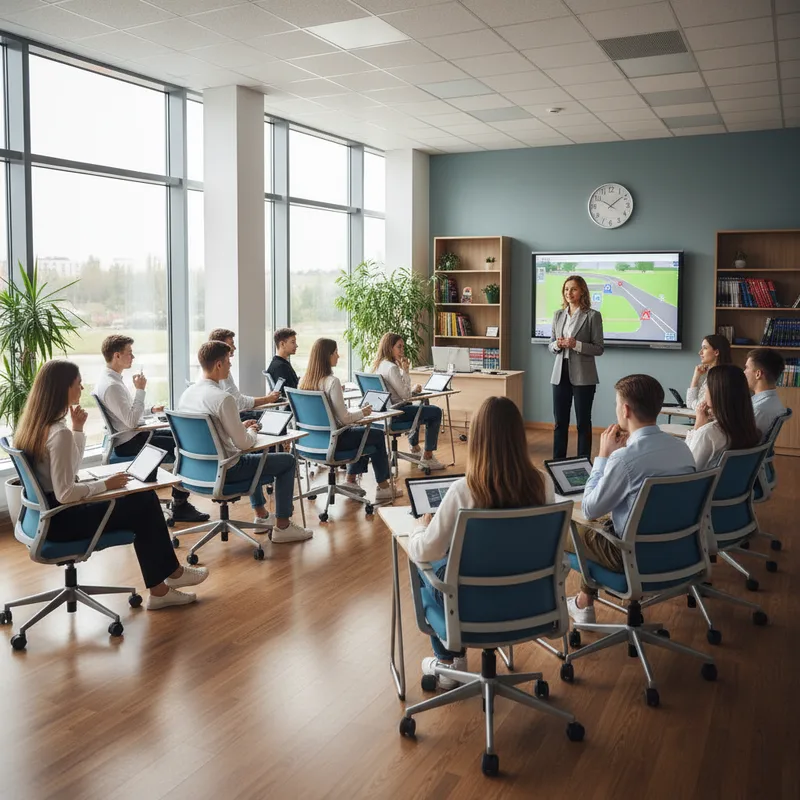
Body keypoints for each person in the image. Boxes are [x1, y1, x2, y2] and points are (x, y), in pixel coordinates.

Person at [14, 361, 209, 610]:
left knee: (140, 500)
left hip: (46, 518)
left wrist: (78, 430)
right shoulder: (57, 434)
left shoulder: (34, 426)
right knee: (144, 502)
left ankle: (168, 580)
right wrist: (104, 485)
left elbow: (67, 474)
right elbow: (66, 493)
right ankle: (167, 582)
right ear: (62, 389)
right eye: (77, 383)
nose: (82, 387)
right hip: (63, 520)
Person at [408, 396, 555, 689]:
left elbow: (428, 551)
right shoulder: (543, 483)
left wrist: (417, 530)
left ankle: (450, 661)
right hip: (530, 599)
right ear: (518, 436)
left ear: (477, 438)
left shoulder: (463, 490)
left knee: (422, 557)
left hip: (468, 606)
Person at [564, 374, 696, 624]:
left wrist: (603, 456)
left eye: (616, 404)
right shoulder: (683, 449)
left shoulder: (623, 459)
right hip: (681, 550)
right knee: (604, 524)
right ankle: (584, 601)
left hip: (631, 556)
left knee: (565, 527)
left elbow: (590, 508)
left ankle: (574, 606)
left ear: (625, 409)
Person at [179, 341, 312, 543]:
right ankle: (283, 527)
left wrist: (238, 425)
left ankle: (261, 515)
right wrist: (249, 429)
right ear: (218, 365)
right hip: (227, 471)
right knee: (287, 461)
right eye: (228, 361)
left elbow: (209, 431)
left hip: (196, 472)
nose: (230, 365)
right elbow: (244, 444)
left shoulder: (187, 395)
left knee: (253, 459)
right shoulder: (223, 398)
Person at [94, 335, 209, 523]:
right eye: (129, 353)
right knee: (185, 445)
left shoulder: (111, 380)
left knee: (178, 435)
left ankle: (181, 500)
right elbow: (131, 421)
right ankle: (180, 505)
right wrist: (140, 390)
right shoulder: (111, 386)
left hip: (136, 436)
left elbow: (127, 413)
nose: (133, 357)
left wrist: (151, 410)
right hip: (132, 442)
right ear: (116, 355)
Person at [299, 338, 399, 504]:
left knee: (366, 439)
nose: (338, 356)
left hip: (309, 444)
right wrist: (363, 412)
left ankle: (351, 480)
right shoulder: (332, 382)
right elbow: (345, 419)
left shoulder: (303, 381)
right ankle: (383, 487)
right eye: (336, 352)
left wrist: (355, 414)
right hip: (335, 441)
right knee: (375, 434)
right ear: (327, 356)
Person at [549, 275, 604, 459]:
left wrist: (576, 345)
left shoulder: (592, 316)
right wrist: (557, 344)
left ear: (582, 292)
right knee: (559, 423)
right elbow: (550, 345)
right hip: (560, 373)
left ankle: (583, 462)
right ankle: (557, 461)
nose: (568, 293)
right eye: (566, 289)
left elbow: (599, 348)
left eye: (573, 289)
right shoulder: (558, 315)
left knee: (583, 423)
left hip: (583, 376)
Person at [372, 332, 444, 471]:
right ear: (389, 347)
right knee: (435, 412)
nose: (402, 350)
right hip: (397, 412)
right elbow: (405, 396)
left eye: (403, 347)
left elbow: (397, 393)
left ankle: (415, 447)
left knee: (420, 407)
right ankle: (427, 457)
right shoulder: (392, 368)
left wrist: (411, 390)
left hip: (385, 412)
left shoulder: (379, 365)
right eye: (399, 347)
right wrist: (405, 371)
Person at [685, 365, 761, 469]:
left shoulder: (708, 433)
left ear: (716, 391)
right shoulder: (750, 428)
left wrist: (698, 427)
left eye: (708, 386)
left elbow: (688, 467)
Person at [208, 328, 281, 421]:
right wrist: (267, 399)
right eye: (231, 344)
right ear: (221, 347)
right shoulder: (222, 373)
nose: (234, 348)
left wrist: (268, 398)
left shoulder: (207, 370)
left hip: (228, 418)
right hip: (233, 418)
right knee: (275, 418)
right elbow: (239, 403)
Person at [744, 347, 786, 439]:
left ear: (758, 374)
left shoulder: (758, 410)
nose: (744, 372)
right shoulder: (772, 402)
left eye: (746, 368)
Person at [686, 334, 732, 410]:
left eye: (705, 348)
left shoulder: (719, 378)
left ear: (716, 352)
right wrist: (697, 376)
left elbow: (693, 404)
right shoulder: (709, 373)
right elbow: (692, 403)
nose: (700, 352)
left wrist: (695, 377)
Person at [267, 328, 300, 393]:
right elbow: (288, 393)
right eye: (293, 342)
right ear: (282, 344)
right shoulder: (281, 367)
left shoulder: (278, 363)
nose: (296, 345)